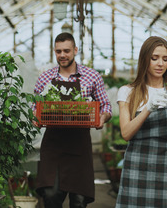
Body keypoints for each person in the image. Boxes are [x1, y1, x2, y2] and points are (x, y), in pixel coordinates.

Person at [33, 32, 112, 208]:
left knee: (79, 200)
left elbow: (105, 105)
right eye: (58, 51)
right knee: (50, 195)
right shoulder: (45, 78)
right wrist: (35, 117)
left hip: (79, 145)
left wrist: (102, 117)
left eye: (66, 51)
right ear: (54, 51)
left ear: (75, 50)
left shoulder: (92, 76)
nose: (62, 55)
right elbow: (35, 106)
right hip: (53, 146)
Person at [115, 36, 167, 207]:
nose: (160, 64)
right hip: (137, 164)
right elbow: (126, 133)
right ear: (145, 59)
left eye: (165, 59)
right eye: (154, 58)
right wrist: (147, 108)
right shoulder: (128, 92)